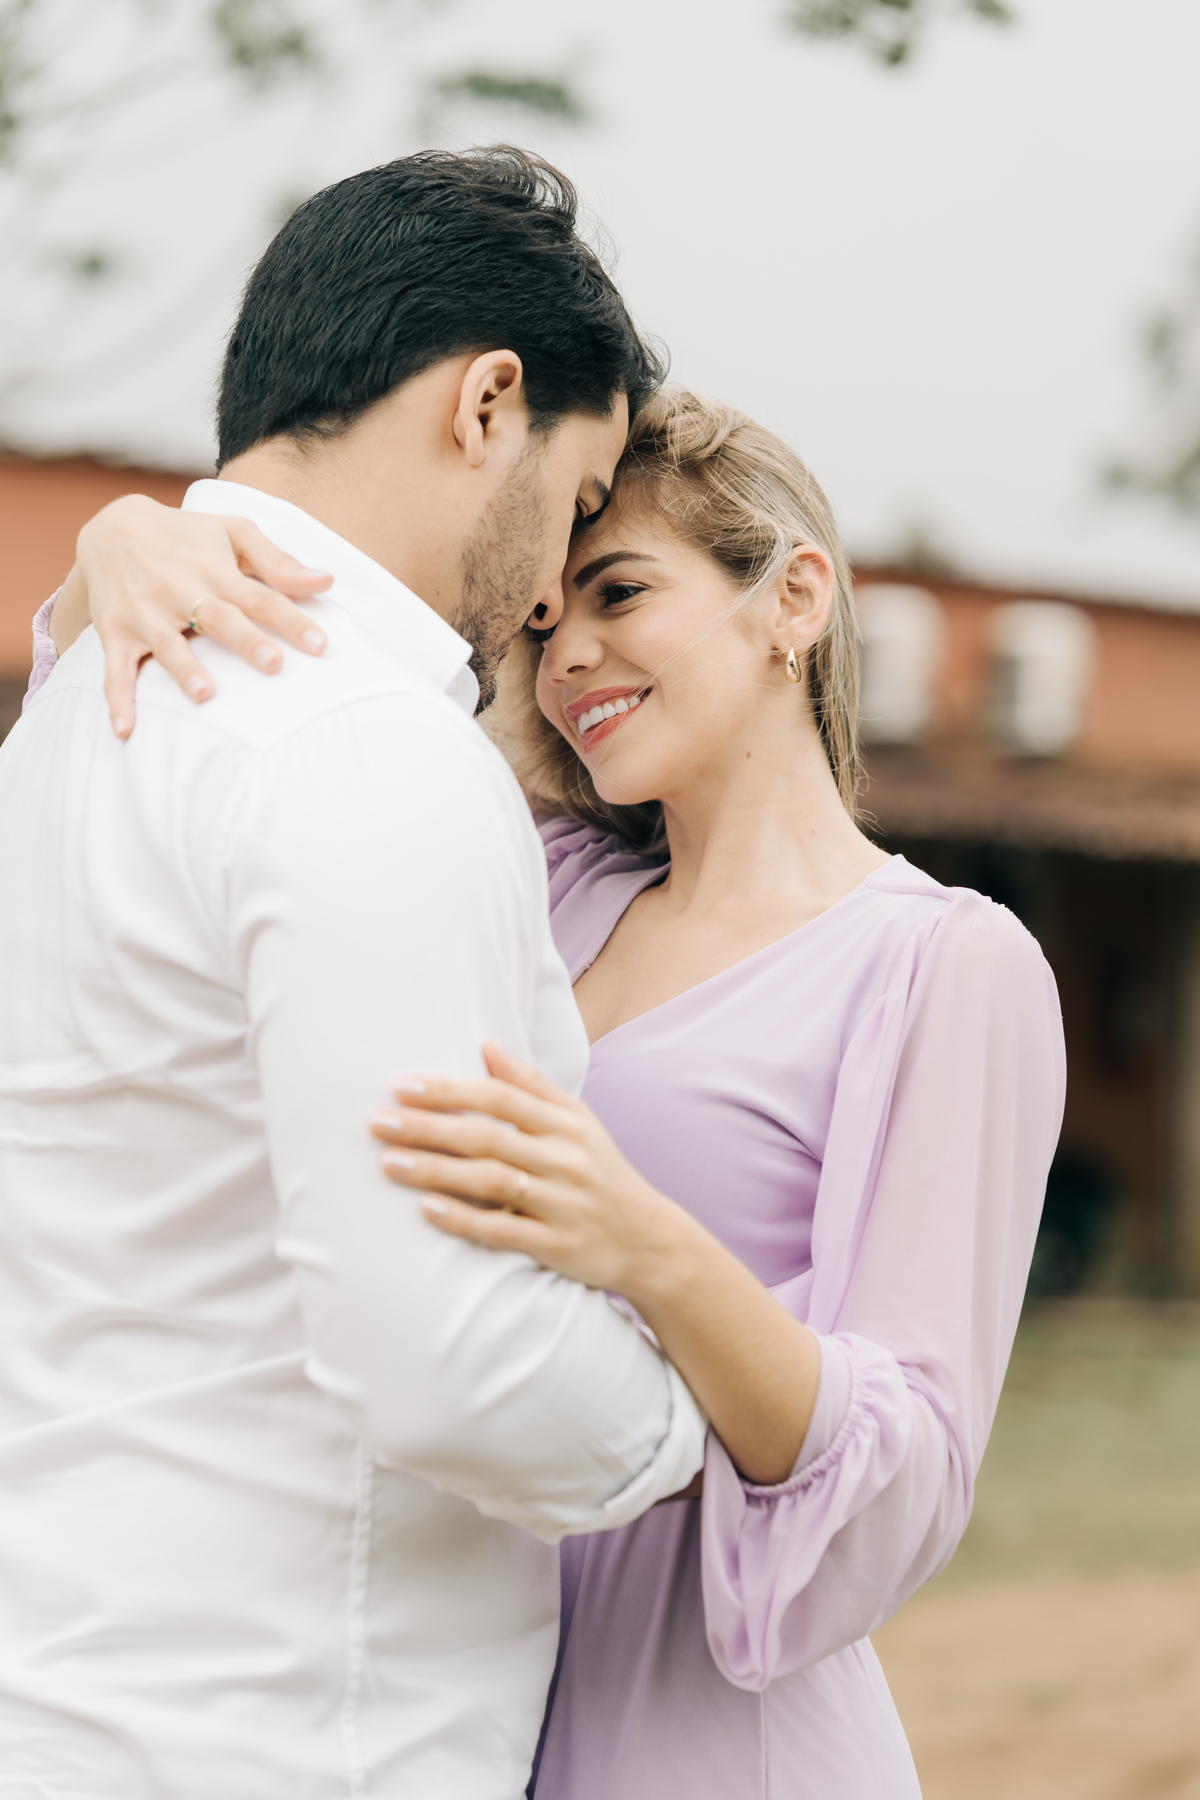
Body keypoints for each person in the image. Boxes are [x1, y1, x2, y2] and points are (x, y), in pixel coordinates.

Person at [31, 388, 1066, 1796]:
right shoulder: (542, 877)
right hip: (450, 1700)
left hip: (706, 1730)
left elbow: (911, 1460)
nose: (569, 652)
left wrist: (648, 1248)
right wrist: (115, 544)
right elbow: (287, 715)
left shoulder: (947, 963)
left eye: (620, 593)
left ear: (795, 597)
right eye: (545, 621)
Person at [0, 149, 710, 1798]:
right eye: (579, 503)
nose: (555, 590)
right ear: (488, 403)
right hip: (285, 1735)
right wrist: (707, 1431)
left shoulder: (62, 727)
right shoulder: (365, 748)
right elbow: (447, 1352)